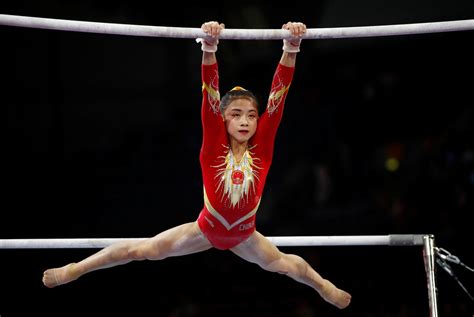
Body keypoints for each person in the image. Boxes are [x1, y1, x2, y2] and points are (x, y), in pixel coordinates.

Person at [42, 21, 351, 309]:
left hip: (245, 235)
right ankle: (76, 269)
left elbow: (278, 96)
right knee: (140, 251)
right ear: (222, 118)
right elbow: (210, 94)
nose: (245, 120)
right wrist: (209, 48)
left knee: (289, 266)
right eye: (236, 114)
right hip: (204, 229)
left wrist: (291, 47)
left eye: (252, 115)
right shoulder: (214, 143)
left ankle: (323, 286)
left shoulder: (263, 145)